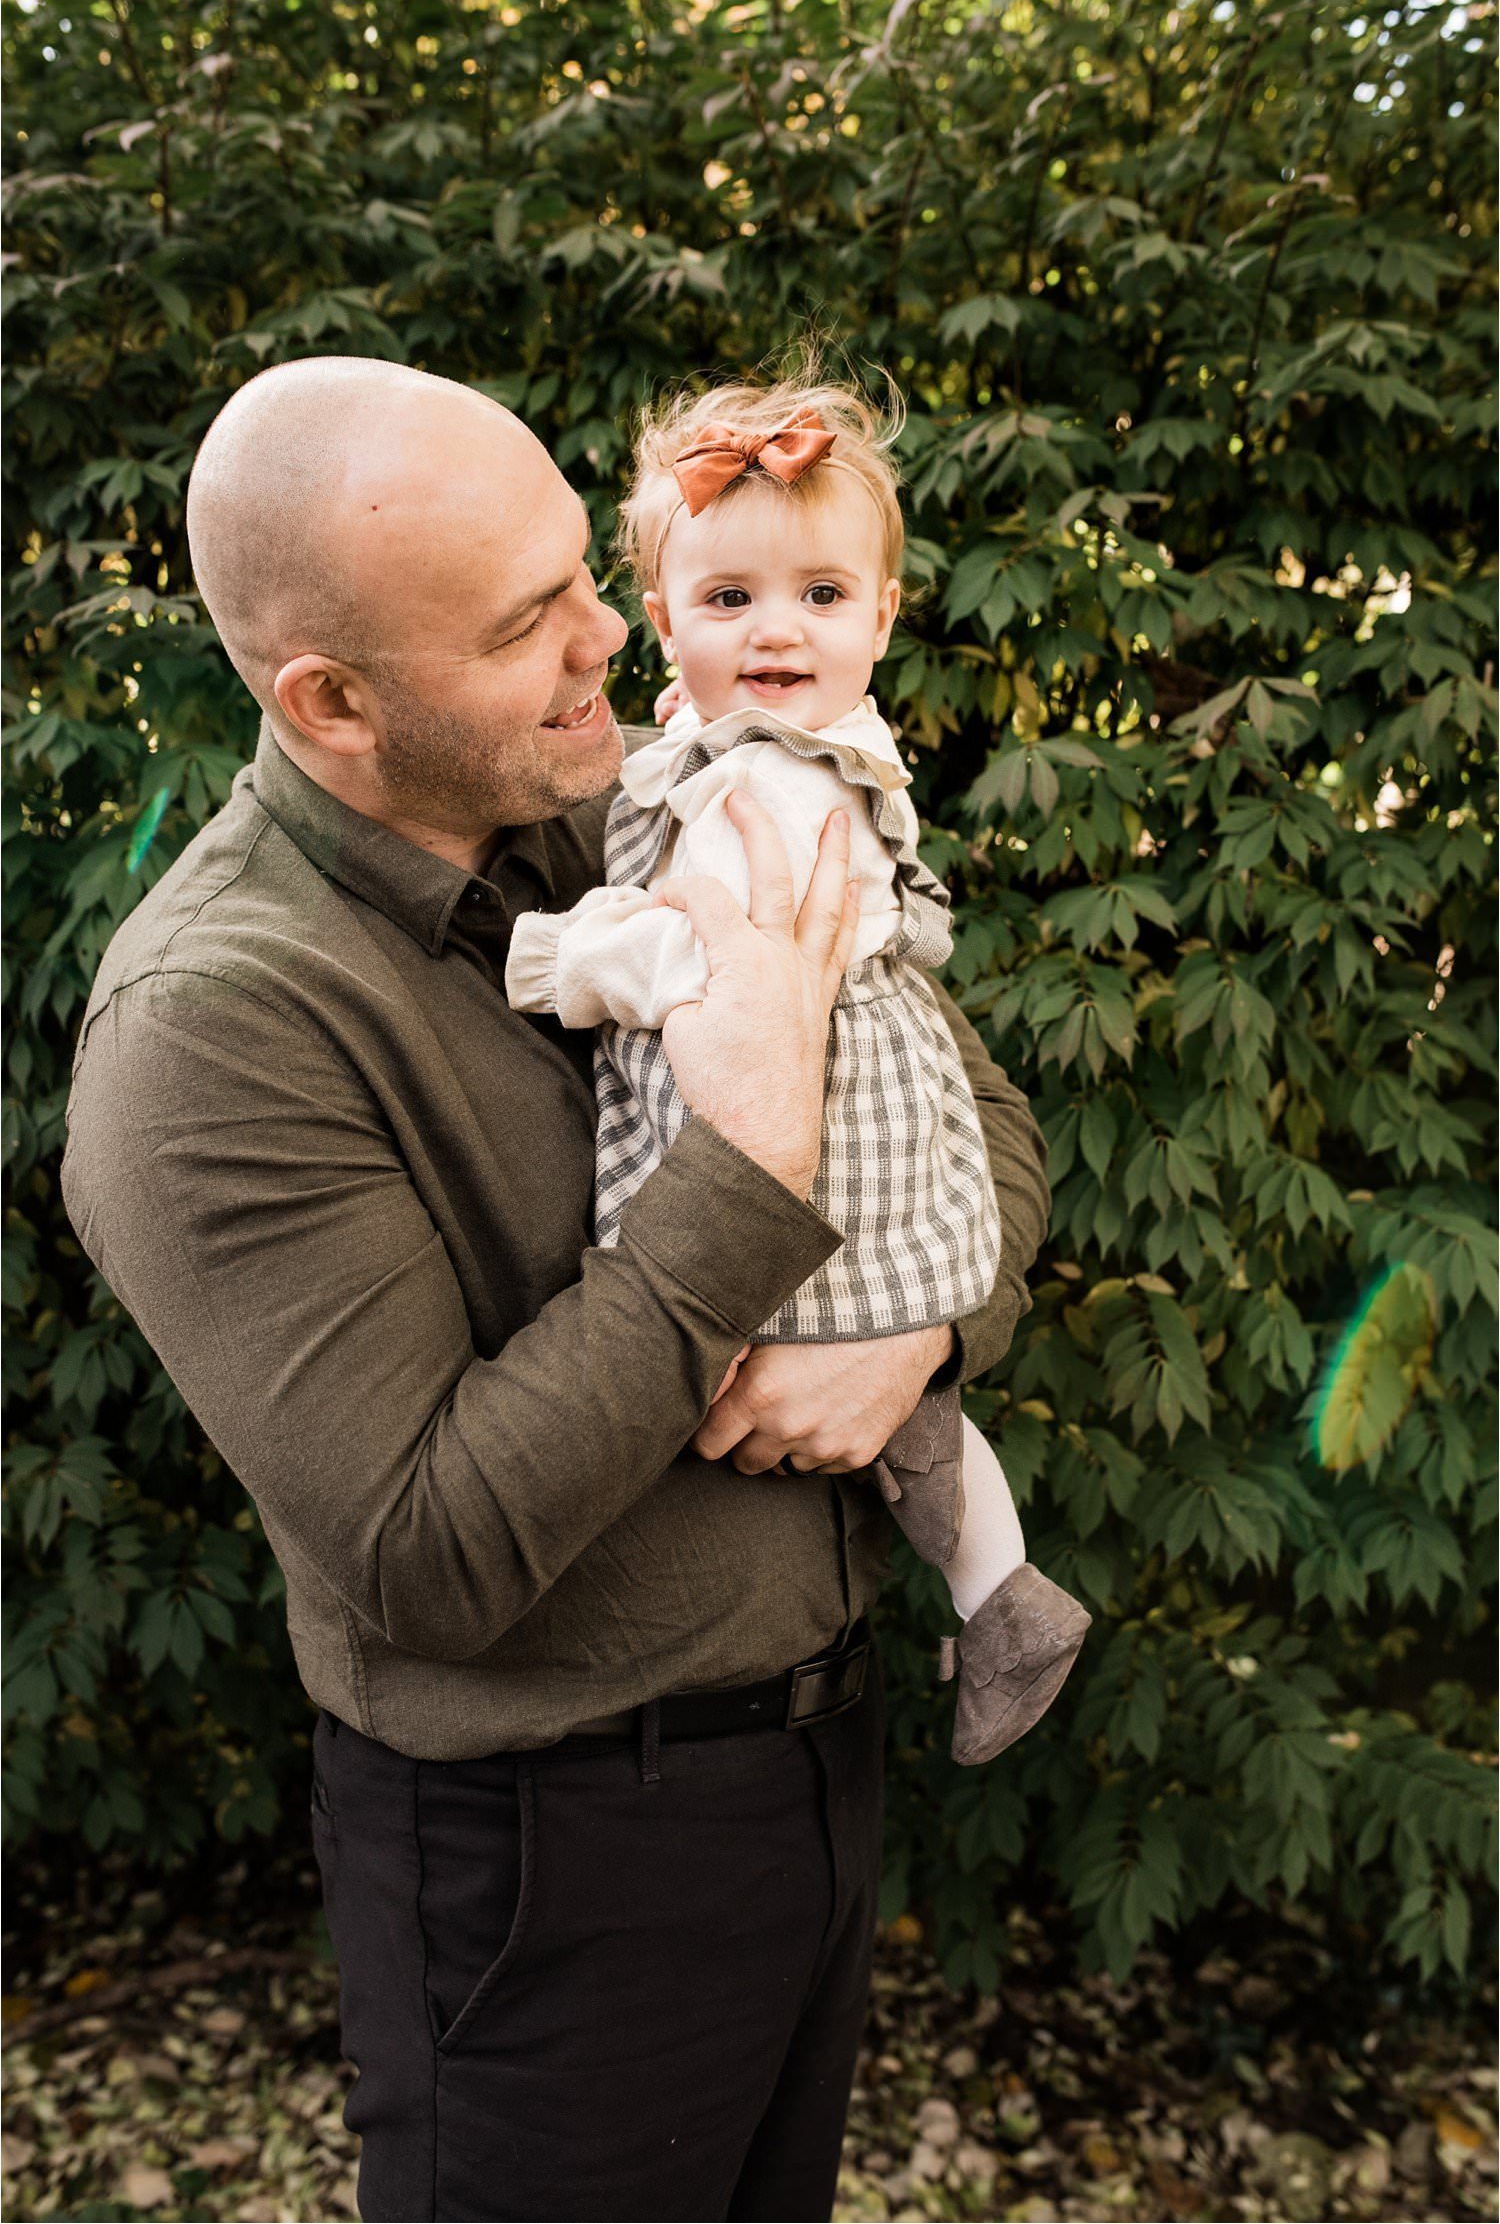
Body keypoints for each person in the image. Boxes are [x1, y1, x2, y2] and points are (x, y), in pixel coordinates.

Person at [60, 356, 1052, 2224]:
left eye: (587, 572)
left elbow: (984, 1129)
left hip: (816, 1778)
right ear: (334, 702)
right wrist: (749, 1169)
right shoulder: (213, 1028)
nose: (621, 630)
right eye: (534, 620)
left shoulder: (643, 805)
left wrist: (913, 1337)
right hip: (549, 1872)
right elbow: (425, 1547)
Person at [505, 374, 1089, 1763]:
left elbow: (694, 962)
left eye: (823, 596)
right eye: (729, 602)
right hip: (864, 1128)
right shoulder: (774, 747)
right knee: (906, 1416)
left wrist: (555, 960)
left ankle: (999, 1596)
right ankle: (1000, 1592)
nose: (777, 628)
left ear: (884, 617)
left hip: (802, 1140)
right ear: (664, 623)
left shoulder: (768, 784)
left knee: (706, 1383)